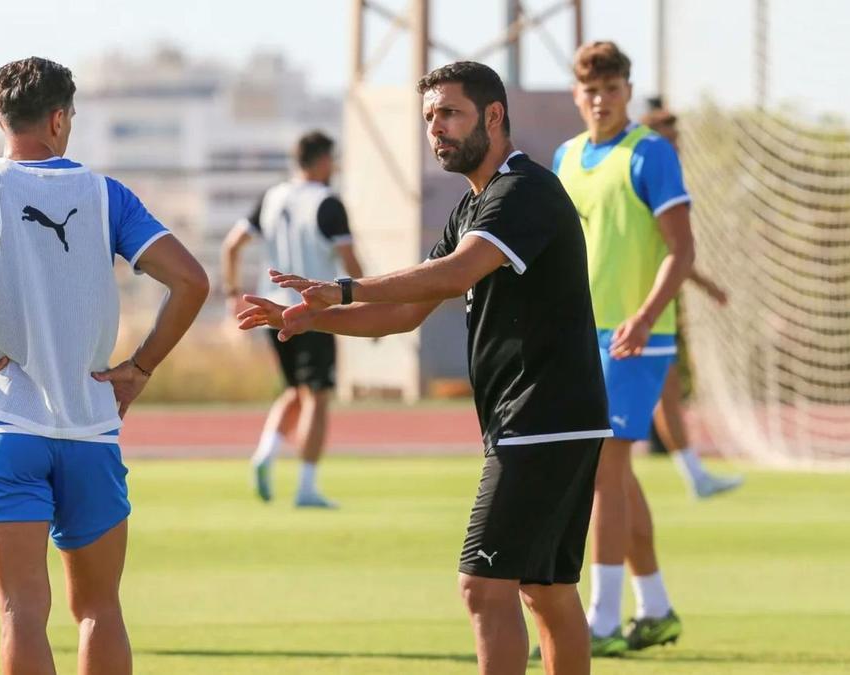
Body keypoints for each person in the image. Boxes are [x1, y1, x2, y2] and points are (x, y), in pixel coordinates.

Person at [239, 61, 608, 675]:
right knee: (545, 589)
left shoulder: (523, 192)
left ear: (493, 116)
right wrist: (307, 318)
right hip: (553, 419)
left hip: (541, 416)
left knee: (483, 585)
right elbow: (407, 311)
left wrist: (346, 288)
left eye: (450, 114)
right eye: (429, 118)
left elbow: (457, 272)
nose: (436, 129)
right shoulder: (474, 207)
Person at [0, 57, 208, 675]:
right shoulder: (105, 196)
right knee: (99, 610)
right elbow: (192, 282)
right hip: (91, 430)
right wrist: (140, 368)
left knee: (20, 610)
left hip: (6, 429)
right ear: (61, 118)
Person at [553, 41, 690, 655]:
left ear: (628, 90)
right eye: (591, 90)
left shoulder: (651, 154)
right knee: (615, 474)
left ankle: (602, 621)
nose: (601, 100)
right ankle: (655, 607)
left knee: (604, 470)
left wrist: (643, 316)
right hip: (583, 339)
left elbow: (681, 252)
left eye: (611, 88)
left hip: (638, 339)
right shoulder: (567, 156)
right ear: (577, 95)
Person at [220, 131, 363, 508]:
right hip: (313, 310)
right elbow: (350, 262)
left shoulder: (273, 196)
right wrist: (366, 305)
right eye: (331, 159)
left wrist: (232, 293)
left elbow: (232, 244)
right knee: (317, 394)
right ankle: (307, 486)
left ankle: (265, 454)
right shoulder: (327, 202)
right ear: (320, 161)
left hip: (273, 310)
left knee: (295, 391)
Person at [640, 102, 745, 499]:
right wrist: (707, 287)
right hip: (639, 309)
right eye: (669, 138)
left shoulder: (661, 178)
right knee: (657, 396)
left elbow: (675, 251)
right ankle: (693, 475)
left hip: (653, 308)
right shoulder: (647, 177)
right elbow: (676, 250)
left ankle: (693, 473)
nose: (677, 145)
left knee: (664, 395)